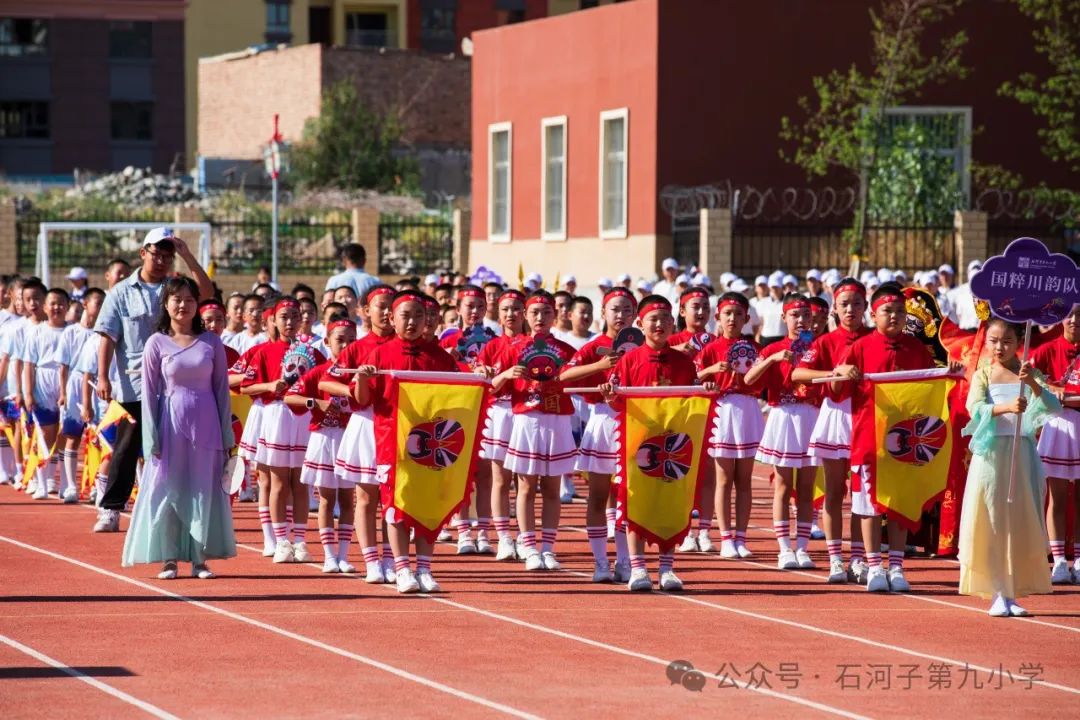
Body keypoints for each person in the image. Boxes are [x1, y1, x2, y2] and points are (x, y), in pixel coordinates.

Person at [838, 282, 961, 592]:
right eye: (886, 311)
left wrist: (952, 372)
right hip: (869, 438)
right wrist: (843, 373)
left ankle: (896, 566)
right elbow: (837, 391)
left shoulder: (916, 348)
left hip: (906, 440)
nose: (893, 317)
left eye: (899, 312)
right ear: (874, 314)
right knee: (868, 506)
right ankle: (873, 565)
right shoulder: (860, 347)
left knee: (900, 504)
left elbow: (930, 390)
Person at [121, 276, 235, 580]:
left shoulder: (211, 342)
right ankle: (169, 558)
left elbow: (222, 391)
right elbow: (148, 393)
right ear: (166, 304)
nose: (183, 305)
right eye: (177, 299)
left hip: (207, 424)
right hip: (170, 425)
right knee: (169, 491)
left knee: (202, 491)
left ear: (197, 305)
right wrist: (150, 439)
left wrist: (227, 436)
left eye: (189, 299)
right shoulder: (156, 343)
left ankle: (199, 559)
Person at [600, 295, 713, 591]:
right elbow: (616, 404)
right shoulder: (629, 360)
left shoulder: (684, 362)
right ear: (640, 323)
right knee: (636, 500)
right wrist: (611, 396)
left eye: (665, 318)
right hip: (637, 445)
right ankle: (637, 567)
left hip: (673, 446)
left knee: (671, 501)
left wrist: (707, 390)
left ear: (673, 323)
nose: (659, 324)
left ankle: (667, 567)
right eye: (653, 318)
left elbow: (693, 402)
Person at [350, 290, 460, 593]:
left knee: (427, 504)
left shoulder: (439, 357)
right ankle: (401, 568)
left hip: (431, 442)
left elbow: (460, 394)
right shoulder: (379, 354)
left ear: (428, 320)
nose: (412, 322)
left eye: (418, 316)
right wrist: (361, 377)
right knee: (395, 505)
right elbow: (362, 399)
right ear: (391, 319)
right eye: (405, 315)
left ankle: (424, 567)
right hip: (391, 441)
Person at [959, 318, 1059, 615]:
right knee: (992, 518)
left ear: (1018, 342)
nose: (999, 347)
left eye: (1006, 341)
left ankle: (1012, 591)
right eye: (993, 340)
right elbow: (974, 408)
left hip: (1022, 452)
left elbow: (1053, 406)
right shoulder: (984, 375)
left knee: (1019, 519)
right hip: (991, 456)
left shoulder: (1029, 374)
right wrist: (1005, 407)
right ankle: (997, 591)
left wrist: (1030, 384)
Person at [791, 278, 872, 583]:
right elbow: (797, 373)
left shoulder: (874, 337)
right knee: (835, 492)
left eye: (857, 303)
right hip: (837, 416)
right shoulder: (826, 341)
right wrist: (833, 373)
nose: (850, 309)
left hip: (867, 417)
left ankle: (859, 558)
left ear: (866, 307)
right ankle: (836, 558)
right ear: (835, 309)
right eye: (844, 304)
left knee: (863, 494)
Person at [492, 291, 577, 571]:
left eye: (546, 312)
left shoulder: (566, 350)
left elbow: (582, 378)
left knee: (553, 487)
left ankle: (548, 548)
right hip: (526, 420)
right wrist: (505, 375)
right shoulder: (512, 348)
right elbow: (491, 388)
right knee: (526, 486)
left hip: (557, 419)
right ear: (525, 316)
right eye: (534, 312)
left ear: (555, 315)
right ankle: (528, 546)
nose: (540, 318)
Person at [320, 285, 397, 583]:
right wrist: (353, 390)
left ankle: (393, 558)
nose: (387, 312)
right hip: (367, 425)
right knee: (366, 498)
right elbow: (327, 381)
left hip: (399, 425)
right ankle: (371, 561)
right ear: (365, 311)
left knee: (395, 499)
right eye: (381, 306)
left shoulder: (406, 345)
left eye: (393, 306)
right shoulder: (357, 347)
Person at [560, 287, 636, 582]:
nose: (621, 315)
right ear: (603, 313)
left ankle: (626, 561)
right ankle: (600, 562)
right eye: (615, 309)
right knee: (598, 494)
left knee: (626, 497)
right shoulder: (595, 346)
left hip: (634, 423)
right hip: (603, 423)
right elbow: (564, 375)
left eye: (627, 310)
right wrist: (600, 366)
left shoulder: (640, 348)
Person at [241, 297, 324, 564]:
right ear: (274, 321)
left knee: (301, 483)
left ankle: (300, 540)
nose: (289, 322)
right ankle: (280, 541)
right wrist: (269, 386)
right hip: (276, 415)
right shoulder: (264, 352)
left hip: (302, 417)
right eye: (284, 317)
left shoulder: (311, 352)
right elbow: (245, 386)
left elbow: (325, 380)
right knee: (277, 481)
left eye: (294, 316)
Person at [745, 294, 821, 570]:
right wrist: (772, 359)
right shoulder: (773, 348)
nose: (801, 320)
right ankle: (784, 548)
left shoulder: (818, 346)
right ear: (784, 317)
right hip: (784, 415)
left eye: (806, 316)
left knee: (806, 487)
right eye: (795, 315)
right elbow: (749, 379)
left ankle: (802, 547)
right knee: (783, 484)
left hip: (811, 416)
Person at [286, 316, 358, 574]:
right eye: (340, 340)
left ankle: (344, 554)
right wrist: (315, 403)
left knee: (349, 498)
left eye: (352, 340)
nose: (346, 345)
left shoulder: (359, 373)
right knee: (326, 498)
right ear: (327, 342)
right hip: (325, 437)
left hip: (350, 437)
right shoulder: (318, 372)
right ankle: (328, 555)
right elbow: (290, 397)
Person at [696, 292, 763, 559]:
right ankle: (725, 537)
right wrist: (711, 372)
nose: (732, 319)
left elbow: (761, 383)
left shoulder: (755, 348)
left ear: (747, 318)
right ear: (718, 317)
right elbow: (695, 378)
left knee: (744, 480)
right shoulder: (710, 349)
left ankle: (741, 537)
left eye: (738, 314)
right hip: (722, 411)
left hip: (747, 410)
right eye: (727, 314)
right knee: (723, 479)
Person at [475, 289, 527, 561]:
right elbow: (487, 387)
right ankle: (504, 537)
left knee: (526, 482)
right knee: (500, 479)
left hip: (527, 415)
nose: (511, 314)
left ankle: (525, 537)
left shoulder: (533, 344)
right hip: (500, 415)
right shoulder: (491, 346)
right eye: (506, 309)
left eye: (516, 308)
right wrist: (505, 374)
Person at [1030, 304, 1080, 583]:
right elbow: (1026, 375)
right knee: (1057, 497)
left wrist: (1067, 393)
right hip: (1058, 425)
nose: (1074, 320)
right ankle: (1059, 559)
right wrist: (1051, 389)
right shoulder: (1048, 349)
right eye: (1070, 314)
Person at [56, 287, 106, 503]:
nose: (102, 309)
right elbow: (63, 366)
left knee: (96, 438)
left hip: (97, 384)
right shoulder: (71, 332)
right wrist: (63, 391)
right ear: (86, 304)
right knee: (72, 435)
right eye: (98, 303)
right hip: (76, 384)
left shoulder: (105, 333)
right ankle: (70, 486)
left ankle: (96, 485)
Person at [21, 283, 66, 499]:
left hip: (65, 383)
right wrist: (28, 393)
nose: (56, 307)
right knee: (44, 434)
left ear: (67, 307)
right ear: (45, 307)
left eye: (60, 304)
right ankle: (40, 481)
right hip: (43, 385)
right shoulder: (37, 332)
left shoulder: (71, 331)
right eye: (53, 304)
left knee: (62, 434)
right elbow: (28, 365)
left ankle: (52, 478)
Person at [757, 273, 786, 345]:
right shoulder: (763, 302)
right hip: (766, 338)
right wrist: (757, 336)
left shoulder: (787, 301)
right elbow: (760, 322)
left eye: (777, 287)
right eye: (773, 287)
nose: (775, 289)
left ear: (781, 287)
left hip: (782, 337)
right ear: (769, 287)